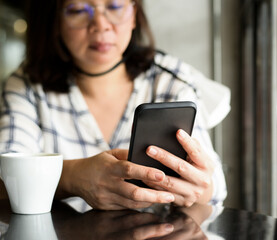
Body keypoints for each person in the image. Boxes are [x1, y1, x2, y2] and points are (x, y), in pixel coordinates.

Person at [0, 0, 230, 212]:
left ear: (134, 15)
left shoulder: (171, 80)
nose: (100, 25)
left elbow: (214, 188)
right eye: (78, 10)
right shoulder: (27, 87)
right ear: (55, 21)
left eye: (115, 6)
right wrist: (72, 177)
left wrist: (198, 185)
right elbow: (3, 181)